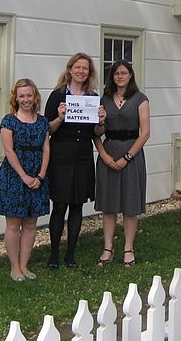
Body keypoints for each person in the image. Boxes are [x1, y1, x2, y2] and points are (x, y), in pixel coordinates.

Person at [43, 52, 106, 269]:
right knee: (59, 205)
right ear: (70, 69)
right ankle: (53, 254)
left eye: (85, 68)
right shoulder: (57, 96)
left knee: (77, 206)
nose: (81, 71)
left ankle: (70, 254)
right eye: (77, 67)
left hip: (82, 155)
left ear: (89, 73)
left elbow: (97, 132)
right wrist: (60, 117)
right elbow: (47, 130)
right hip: (61, 155)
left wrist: (101, 121)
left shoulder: (92, 97)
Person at [0, 78, 50, 281]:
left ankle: (24, 265)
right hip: (14, 176)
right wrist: (24, 176)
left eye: (29, 95)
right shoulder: (9, 121)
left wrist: (40, 176)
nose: (25, 99)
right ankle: (14, 267)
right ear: (16, 97)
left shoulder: (42, 122)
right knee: (14, 224)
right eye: (21, 95)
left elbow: (46, 149)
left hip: (37, 177)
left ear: (35, 97)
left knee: (31, 224)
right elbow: (8, 150)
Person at [94, 60, 151, 268]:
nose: (120, 76)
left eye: (124, 73)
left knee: (129, 204)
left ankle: (128, 248)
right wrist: (104, 154)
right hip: (108, 154)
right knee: (109, 205)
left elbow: (145, 133)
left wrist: (127, 157)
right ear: (112, 77)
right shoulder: (104, 99)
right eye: (116, 73)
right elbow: (97, 133)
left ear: (130, 75)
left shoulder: (140, 99)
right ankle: (108, 248)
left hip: (132, 155)